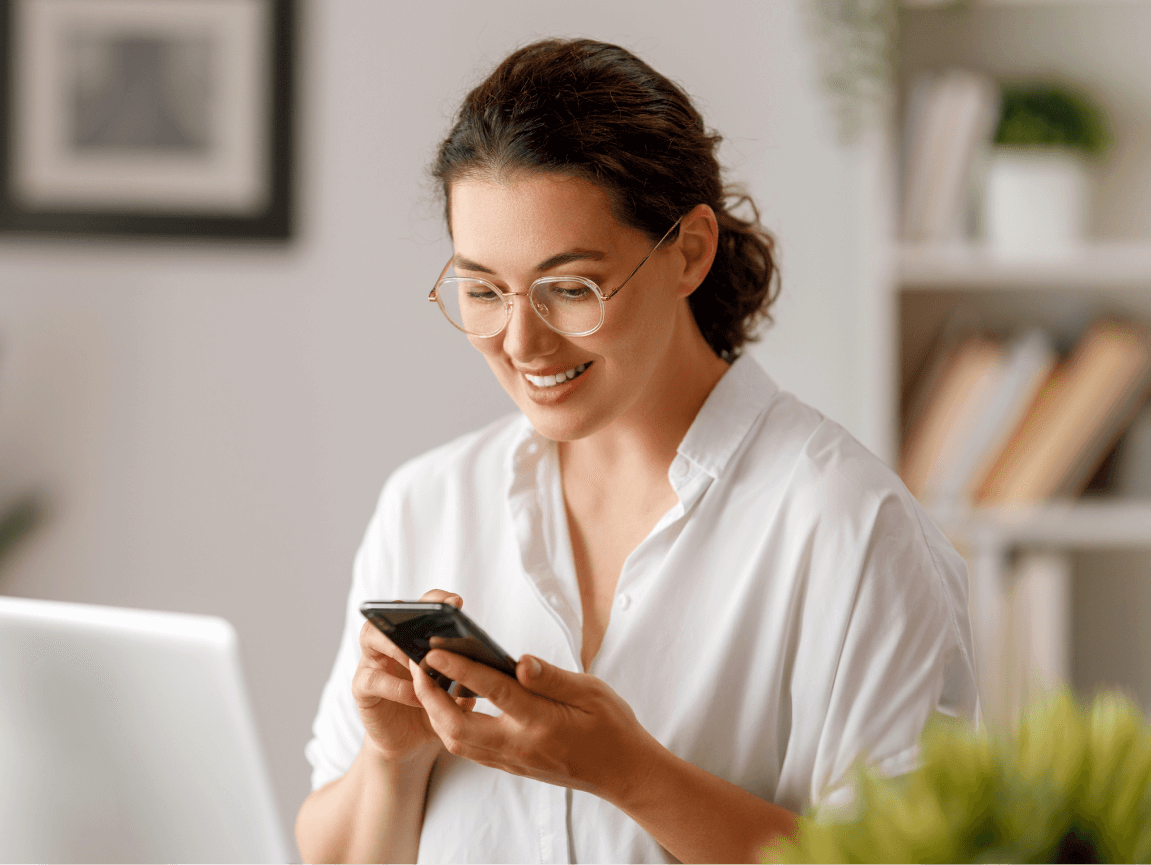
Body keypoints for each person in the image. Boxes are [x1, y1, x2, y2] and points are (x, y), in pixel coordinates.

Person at [295, 38, 977, 865]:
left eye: (570, 288)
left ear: (688, 250)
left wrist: (630, 774)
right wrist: (393, 761)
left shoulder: (849, 528)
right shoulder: (429, 501)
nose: (521, 340)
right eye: (482, 290)